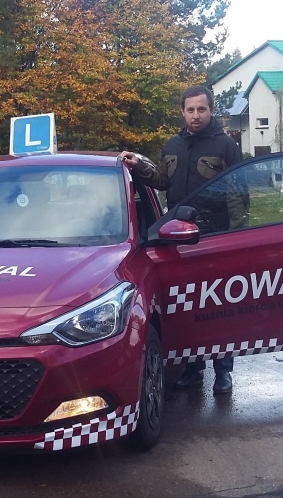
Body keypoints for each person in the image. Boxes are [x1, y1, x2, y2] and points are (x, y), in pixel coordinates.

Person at [120, 84, 244, 394]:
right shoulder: (172, 145)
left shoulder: (226, 146)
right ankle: (193, 368)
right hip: (178, 241)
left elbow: (238, 196)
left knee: (219, 308)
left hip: (214, 240)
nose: (196, 115)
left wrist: (237, 238)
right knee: (188, 307)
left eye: (201, 109)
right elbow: (161, 180)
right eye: (190, 110)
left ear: (212, 110)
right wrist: (138, 164)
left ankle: (223, 372)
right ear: (183, 112)